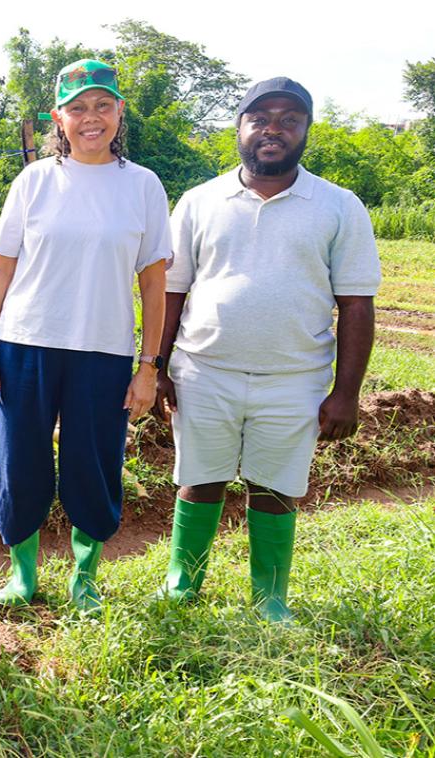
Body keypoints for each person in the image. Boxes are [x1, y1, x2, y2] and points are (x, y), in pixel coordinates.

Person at [154, 77, 380, 622]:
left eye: (288, 119)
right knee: (199, 477)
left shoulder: (339, 206)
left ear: (305, 131)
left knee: (275, 485)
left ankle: (270, 598)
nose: (272, 129)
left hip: (294, 378)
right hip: (203, 370)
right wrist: (157, 367)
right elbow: (172, 290)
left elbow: (356, 304)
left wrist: (345, 393)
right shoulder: (198, 201)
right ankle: (183, 585)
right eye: (260, 118)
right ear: (239, 129)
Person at [0, 59, 170, 612]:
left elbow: (153, 284)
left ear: (119, 112)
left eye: (102, 105)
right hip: (24, 344)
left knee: (95, 461)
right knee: (19, 460)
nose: (91, 118)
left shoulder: (142, 186)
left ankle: (84, 577)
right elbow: (2, 271)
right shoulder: (34, 180)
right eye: (78, 108)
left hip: (103, 351)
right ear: (58, 118)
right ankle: (23, 575)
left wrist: (148, 367)